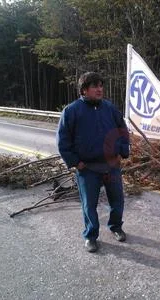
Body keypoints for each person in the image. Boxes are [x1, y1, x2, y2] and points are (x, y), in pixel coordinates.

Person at [57, 72, 130, 253]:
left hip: (111, 165)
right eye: (94, 86)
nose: (99, 89)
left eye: (100, 85)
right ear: (84, 90)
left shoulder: (110, 108)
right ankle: (90, 236)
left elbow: (122, 130)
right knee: (89, 205)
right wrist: (75, 162)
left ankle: (116, 227)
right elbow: (63, 141)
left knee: (118, 200)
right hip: (88, 168)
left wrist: (122, 152)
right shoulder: (72, 111)